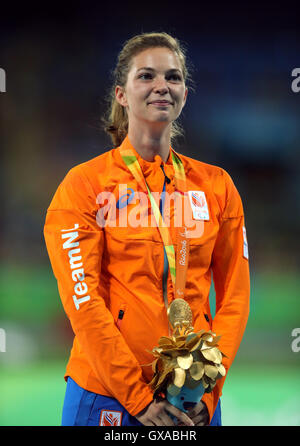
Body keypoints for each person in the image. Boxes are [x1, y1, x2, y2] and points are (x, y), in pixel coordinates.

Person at [44, 32, 250, 427]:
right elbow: (83, 302)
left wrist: (209, 391)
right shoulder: (85, 185)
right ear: (121, 93)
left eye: (173, 77)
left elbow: (235, 298)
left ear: (185, 95)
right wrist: (137, 399)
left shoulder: (217, 186)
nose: (162, 86)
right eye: (147, 76)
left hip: (193, 402)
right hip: (106, 396)